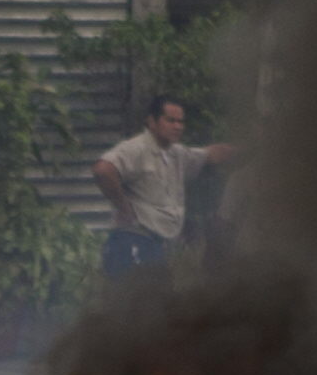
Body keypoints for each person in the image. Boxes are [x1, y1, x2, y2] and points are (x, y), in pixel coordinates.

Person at [92, 94, 233, 278]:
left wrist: (256, 147)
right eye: (170, 120)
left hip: (156, 247)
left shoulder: (177, 154)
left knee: (158, 302)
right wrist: (123, 206)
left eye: (181, 122)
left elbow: (211, 154)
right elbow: (103, 170)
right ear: (152, 122)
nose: (177, 126)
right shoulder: (136, 148)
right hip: (132, 242)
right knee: (135, 301)